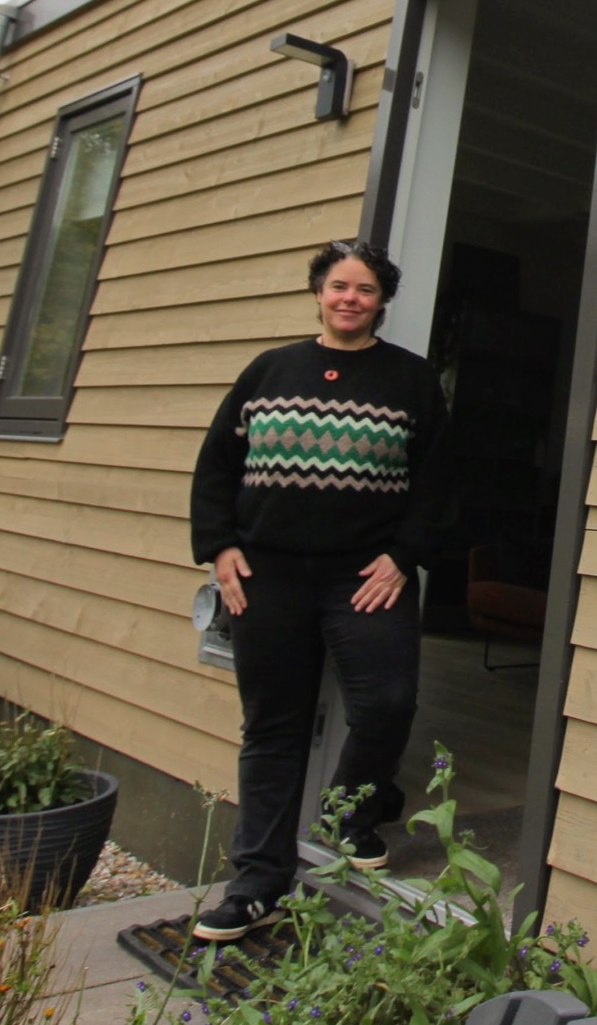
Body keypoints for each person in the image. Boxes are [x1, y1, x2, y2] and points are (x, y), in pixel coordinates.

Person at [186, 238, 446, 942]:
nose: (350, 298)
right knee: (272, 727)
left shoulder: (412, 380)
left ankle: (349, 815)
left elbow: (437, 484)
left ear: (382, 300)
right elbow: (216, 465)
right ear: (319, 293)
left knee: (389, 700)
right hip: (269, 575)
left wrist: (403, 556)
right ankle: (256, 881)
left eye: (364, 288)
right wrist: (220, 547)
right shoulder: (269, 370)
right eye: (338, 286)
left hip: (365, 572)